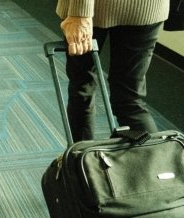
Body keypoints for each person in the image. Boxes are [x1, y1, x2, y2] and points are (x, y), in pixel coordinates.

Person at [57, 0, 169, 141]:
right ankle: (153, 161)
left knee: (82, 90)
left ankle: (82, 160)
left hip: (93, 11)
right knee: (130, 99)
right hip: (148, 8)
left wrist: (80, 13)